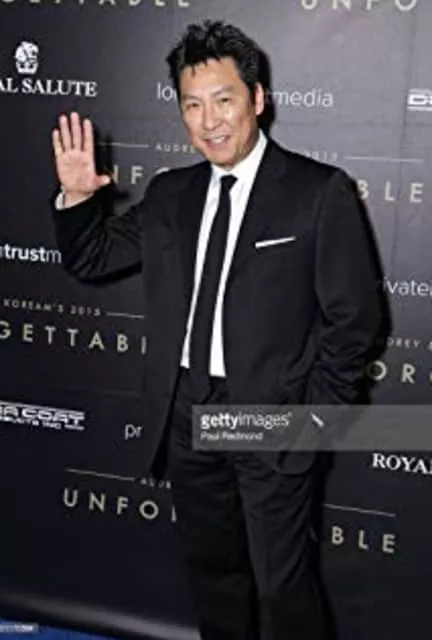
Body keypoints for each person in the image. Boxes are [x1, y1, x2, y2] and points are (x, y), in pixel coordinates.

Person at [51, 20, 380, 640]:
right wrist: (75, 198)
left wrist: (311, 423)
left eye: (224, 100)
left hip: (271, 417)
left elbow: (355, 322)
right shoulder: (170, 193)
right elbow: (92, 258)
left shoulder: (318, 192)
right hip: (186, 412)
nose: (209, 121)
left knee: (284, 590)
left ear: (257, 98)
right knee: (214, 578)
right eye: (192, 105)